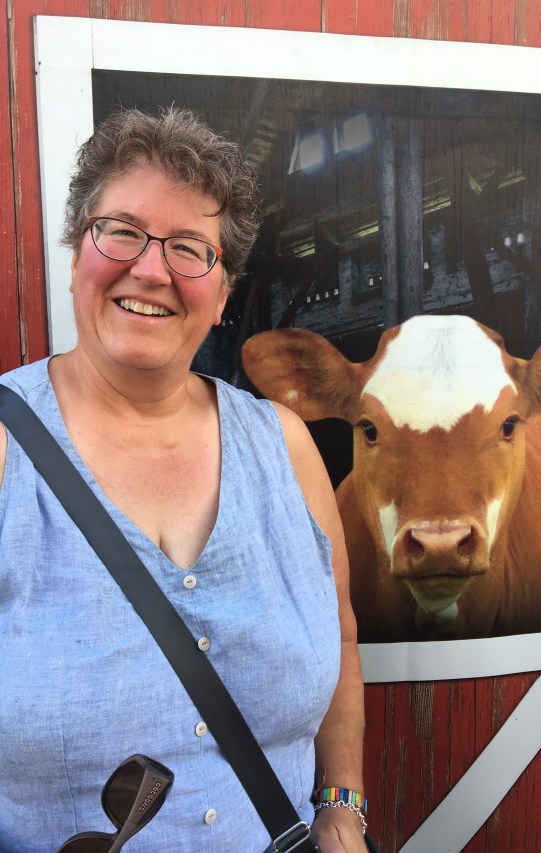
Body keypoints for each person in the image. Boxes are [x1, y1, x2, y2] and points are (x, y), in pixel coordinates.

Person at [0, 107, 367, 852]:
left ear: (224, 293)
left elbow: (341, 635)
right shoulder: (6, 452)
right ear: (77, 254)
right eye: (122, 232)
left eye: (189, 248)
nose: (150, 269)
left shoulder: (284, 447)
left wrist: (340, 806)